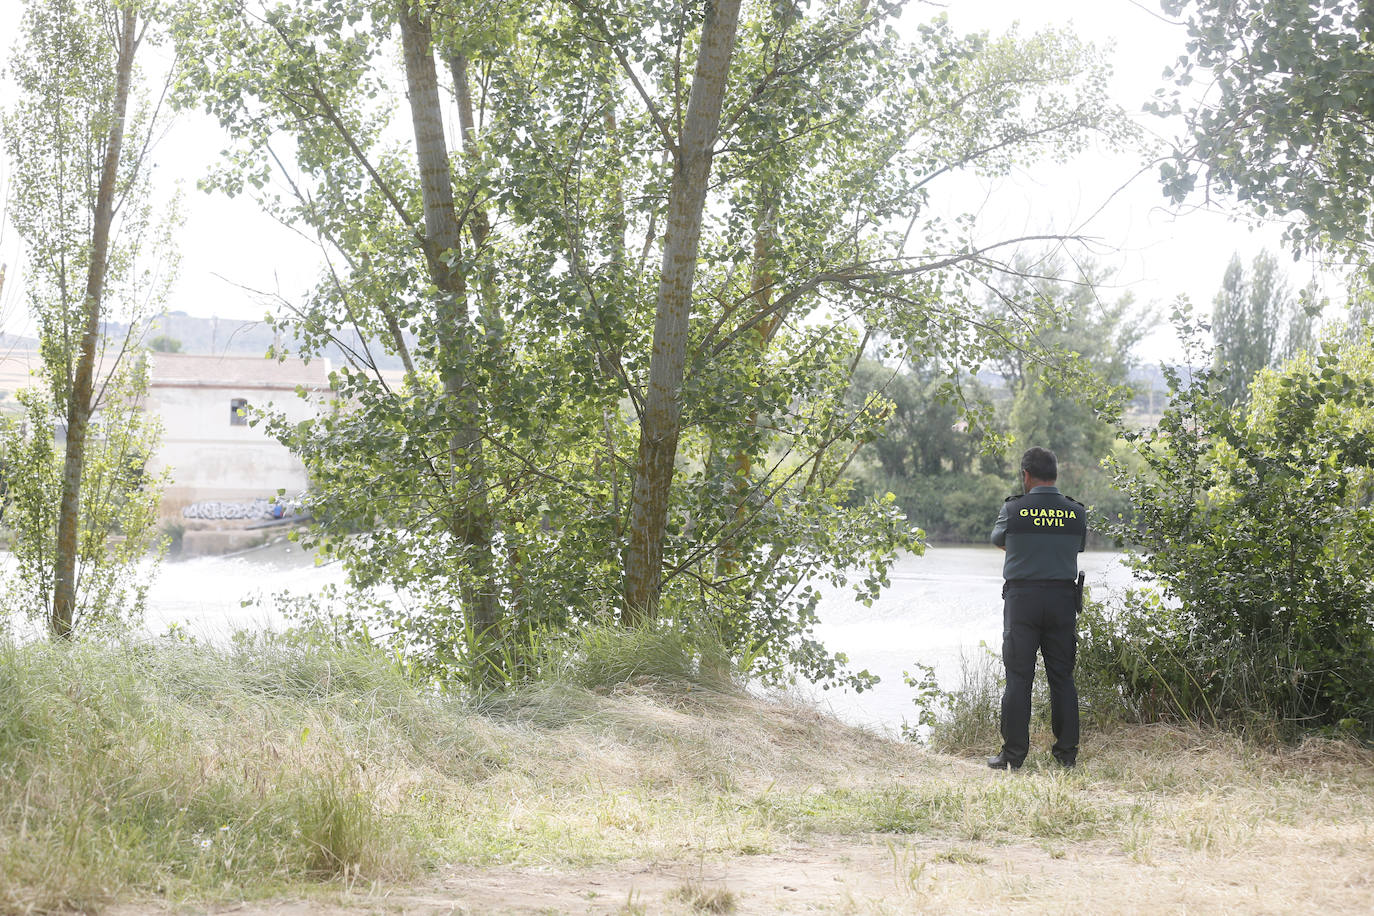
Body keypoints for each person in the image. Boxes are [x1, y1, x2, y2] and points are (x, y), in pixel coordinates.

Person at [987, 446, 1086, 770]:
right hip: (1061, 601)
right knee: (1062, 678)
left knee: (1018, 679)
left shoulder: (1014, 509)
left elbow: (999, 540)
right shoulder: (1076, 512)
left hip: (1023, 601)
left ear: (1026, 476)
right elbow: (1078, 546)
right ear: (1056, 475)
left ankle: (1013, 757)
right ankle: (1066, 756)